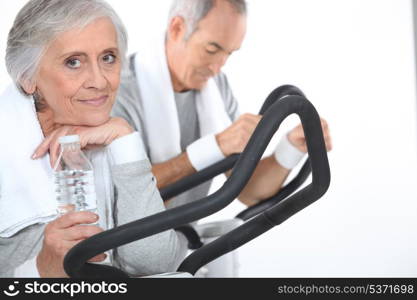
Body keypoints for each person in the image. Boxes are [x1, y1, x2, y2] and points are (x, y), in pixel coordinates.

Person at [0, 0, 183, 278]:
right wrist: (38, 271)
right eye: (73, 62)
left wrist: (125, 140)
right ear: (28, 78)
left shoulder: (111, 131)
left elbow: (154, 263)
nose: (99, 81)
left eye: (108, 57)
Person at [113, 0, 332, 210]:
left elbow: (248, 191)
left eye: (228, 54)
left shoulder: (217, 87)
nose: (217, 68)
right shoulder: (117, 92)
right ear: (177, 28)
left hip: (180, 243)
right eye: (211, 50)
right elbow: (123, 195)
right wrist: (215, 146)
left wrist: (291, 148)